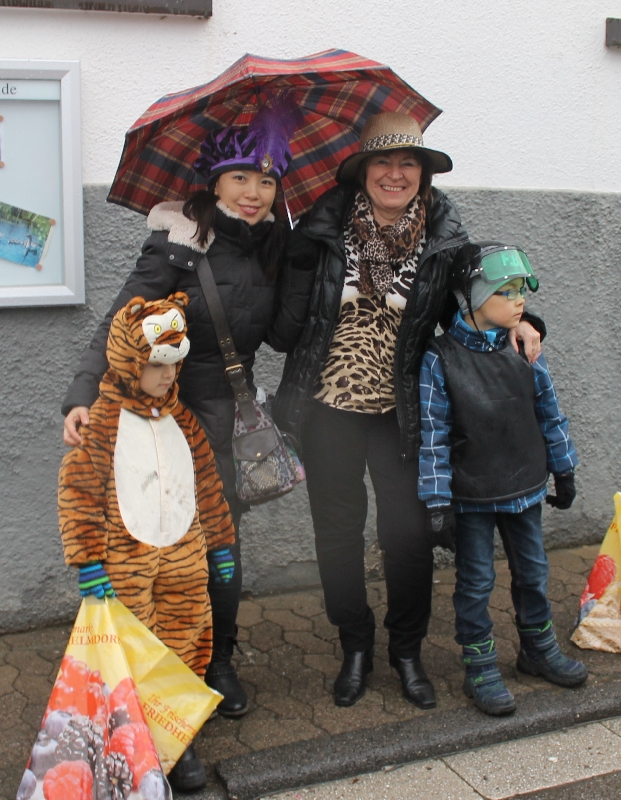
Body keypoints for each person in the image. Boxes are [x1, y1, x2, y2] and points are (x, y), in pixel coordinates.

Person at [273, 112, 544, 709]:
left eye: (408, 163)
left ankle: (406, 651)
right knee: (337, 534)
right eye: (383, 161)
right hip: (327, 409)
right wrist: (290, 258)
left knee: (410, 536)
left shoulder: (444, 240)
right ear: (361, 170)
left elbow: (479, 299)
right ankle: (355, 646)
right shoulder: (320, 231)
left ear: (423, 174)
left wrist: (525, 322)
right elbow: (283, 331)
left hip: (404, 413)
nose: (395, 174)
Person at [61, 106, 315, 720]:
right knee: (159, 549)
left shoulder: (273, 246)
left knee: (222, 547)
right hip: (164, 423)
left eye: (267, 181)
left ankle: (217, 659)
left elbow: (282, 336)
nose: (254, 193)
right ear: (214, 182)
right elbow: (120, 321)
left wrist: (302, 263)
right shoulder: (178, 246)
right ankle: (150, 671)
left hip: (229, 427)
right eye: (240, 178)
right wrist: (81, 393)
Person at [59, 293, 235, 790]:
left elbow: (207, 484)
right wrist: (88, 558)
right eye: (157, 364)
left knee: (186, 639)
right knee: (135, 648)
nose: (167, 375)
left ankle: (177, 735)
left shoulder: (185, 421)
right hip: (126, 561)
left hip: (184, 556)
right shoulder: (100, 423)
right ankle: (136, 736)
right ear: (130, 359)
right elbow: (79, 490)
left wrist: (220, 543)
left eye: (173, 364)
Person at [418, 242, 587, 716]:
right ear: (470, 296)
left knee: (533, 573)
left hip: (525, 488)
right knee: (475, 582)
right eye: (506, 291)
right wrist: (436, 502)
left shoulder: (524, 346)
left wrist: (564, 468)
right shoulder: (440, 358)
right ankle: (479, 666)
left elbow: (549, 412)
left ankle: (538, 649)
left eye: (521, 290)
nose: (519, 300)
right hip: (472, 495)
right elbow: (432, 435)